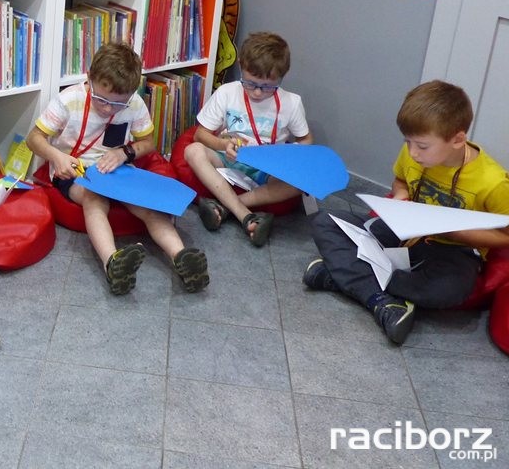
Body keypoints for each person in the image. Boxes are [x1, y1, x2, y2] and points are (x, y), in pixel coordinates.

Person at [305, 80, 509, 344]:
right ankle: (382, 300)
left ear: (458, 139)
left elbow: (505, 237)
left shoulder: (493, 182)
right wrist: (400, 195)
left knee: (450, 290)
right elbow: (400, 181)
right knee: (325, 221)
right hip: (406, 232)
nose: (412, 153)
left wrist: (455, 232)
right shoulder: (412, 153)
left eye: (422, 146)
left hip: (453, 249)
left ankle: (350, 280)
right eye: (407, 142)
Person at [26, 42, 209, 295]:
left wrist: (125, 152)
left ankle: (182, 258)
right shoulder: (69, 100)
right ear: (89, 78)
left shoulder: (134, 104)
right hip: (75, 170)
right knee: (94, 199)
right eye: (101, 100)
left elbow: (148, 143)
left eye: (117, 104)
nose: (107, 109)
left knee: (149, 207)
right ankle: (112, 263)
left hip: (117, 170)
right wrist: (57, 157)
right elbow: (33, 138)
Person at [183, 31, 312, 247]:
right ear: (241, 66)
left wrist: (285, 155)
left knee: (300, 182)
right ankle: (245, 215)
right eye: (250, 83)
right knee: (192, 150)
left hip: (267, 169)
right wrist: (223, 144)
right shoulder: (227, 92)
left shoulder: (292, 103)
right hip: (229, 158)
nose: (258, 93)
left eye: (268, 87)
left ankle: (225, 208)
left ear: (282, 76)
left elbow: (306, 139)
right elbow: (200, 134)